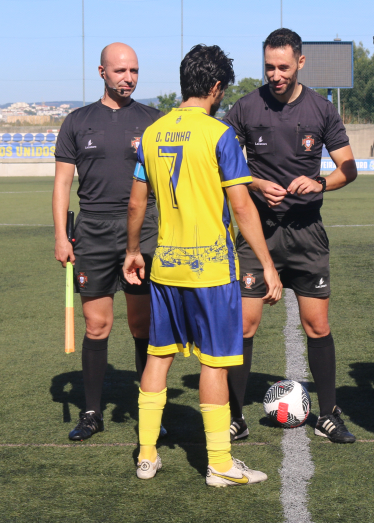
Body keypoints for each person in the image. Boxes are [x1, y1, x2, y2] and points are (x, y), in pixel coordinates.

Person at [123, 43, 282, 486]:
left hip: (166, 268)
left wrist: (134, 249)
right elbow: (244, 207)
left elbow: (137, 202)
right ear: (215, 87)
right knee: (215, 362)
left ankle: (148, 455)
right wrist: (267, 264)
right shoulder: (218, 134)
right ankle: (220, 464)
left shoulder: (152, 134)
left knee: (158, 358)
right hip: (211, 271)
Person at [223, 28, 358, 444]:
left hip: (306, 235)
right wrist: (256, 184)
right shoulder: (245, 108)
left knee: (316, 325)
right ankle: (234, 416)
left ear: (300, 63)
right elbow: (224, 165)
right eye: (268, 67)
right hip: (257, 234)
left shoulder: (321, 109)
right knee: (245, 325)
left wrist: (319, 182)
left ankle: (329, 413)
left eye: (283, 67)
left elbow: (348, 168)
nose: (275, 74)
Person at [52, 42, 164, 441]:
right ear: (102, 72)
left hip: (143, 230)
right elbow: (63, 183)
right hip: (93, 232)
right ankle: (91, 413)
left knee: (142, 324)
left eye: (133, 70)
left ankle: (149, 410)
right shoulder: (77, 122)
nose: (128, 78)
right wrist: (62, 236)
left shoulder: (154, 121)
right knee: (97, 326)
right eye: (120, 71)